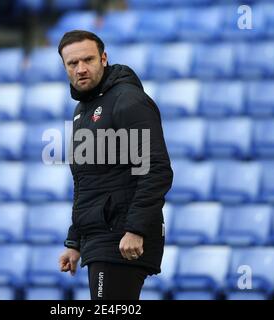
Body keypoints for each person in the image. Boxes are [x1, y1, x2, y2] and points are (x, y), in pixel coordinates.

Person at [57, 30, 173, 300]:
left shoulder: (128, 100)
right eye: (73, 64)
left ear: (104, 58)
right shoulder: (82, 110)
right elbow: (86, 182)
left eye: (88, 60)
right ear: (65, 67)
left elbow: (155, 168)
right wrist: (75, 241)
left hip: (122, 237)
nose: (81, 69)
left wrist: (136, 229)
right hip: (98, 238)